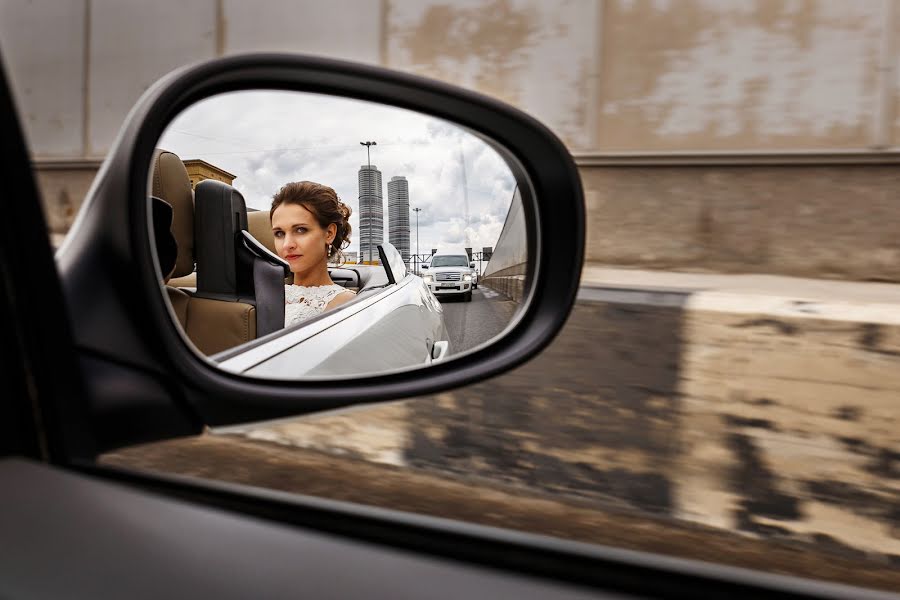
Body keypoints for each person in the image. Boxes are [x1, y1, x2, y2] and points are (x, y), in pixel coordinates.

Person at [270, 181, 356, 327]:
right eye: (279, 233)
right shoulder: (264, 294)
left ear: (329, 233)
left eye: (300, 230)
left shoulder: (347, 304)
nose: (287, 244)